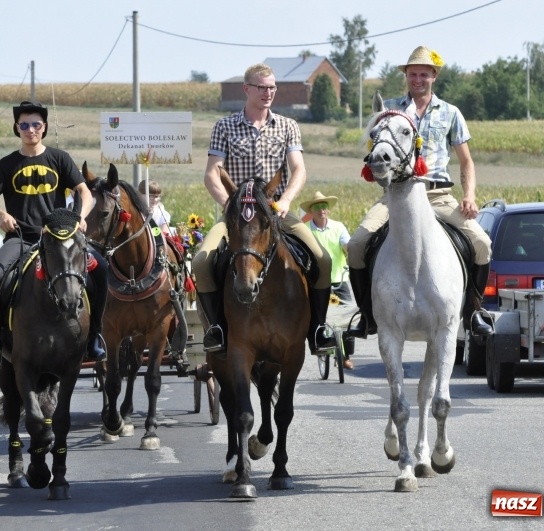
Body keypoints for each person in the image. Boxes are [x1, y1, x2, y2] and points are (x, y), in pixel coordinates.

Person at [346, 45, 494, 339]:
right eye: (412, 74)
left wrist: (469, 196)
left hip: (437, 195)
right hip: (395, 197)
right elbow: (375, 150)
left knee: (482, 243)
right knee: (356, 244)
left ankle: (474, 311)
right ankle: (366, 314)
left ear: (434, 76)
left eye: (423, 74)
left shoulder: (451, 113)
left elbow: (466, 161)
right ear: (406, 75)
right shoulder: (390, 108)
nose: (417, 79)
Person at [192, 63, 336, 355]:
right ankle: (217, 329)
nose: (268, 92)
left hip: (276, 212)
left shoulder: (287, 126)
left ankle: (318, 328)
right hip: (236, 217)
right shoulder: (224, 126)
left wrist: (284, 202)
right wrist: (230, 207)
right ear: (247, 89)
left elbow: (298, 170)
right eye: (262, 87)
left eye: (272, 87)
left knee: (323, 258)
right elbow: (211, 173)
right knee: (202, 263)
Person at [0, 100, 109, 370]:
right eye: (24, 125)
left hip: (60, 239)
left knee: (102, 269)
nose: (30, 129)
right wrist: (0, 215)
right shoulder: (6, 163)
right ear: (17, 128)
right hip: (20, 239)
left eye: (36, 124)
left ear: (44, 127)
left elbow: (85, 193)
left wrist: (81, 217)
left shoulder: (59, 158)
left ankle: (95, 335)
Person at [302, 191, 355, 369]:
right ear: (311, 210)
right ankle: (320, 344)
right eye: (317, 207)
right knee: (317, 317)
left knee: (349, 318)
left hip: (339, 278)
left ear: (328, 210)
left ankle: (346, 356)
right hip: (316, 282)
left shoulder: (338, 227)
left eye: (324, 206)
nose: (321, 210)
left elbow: (346, 243)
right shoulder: (306, 229)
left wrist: (350, 249)